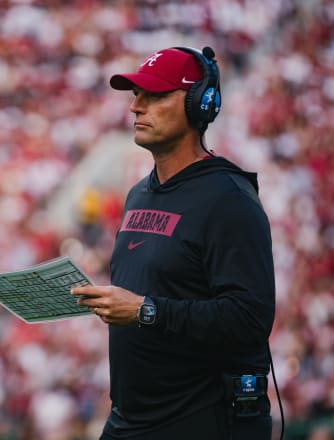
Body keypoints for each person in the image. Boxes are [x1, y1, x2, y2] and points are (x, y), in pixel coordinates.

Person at [70, 46, 276, 440]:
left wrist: (147, 311)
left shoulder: (228, 199)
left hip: (202, 419)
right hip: (131, 418)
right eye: (136, 94)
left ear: (201, 104)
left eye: (156, 95)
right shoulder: (137, 195)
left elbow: (250, 320)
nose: (136, 107)